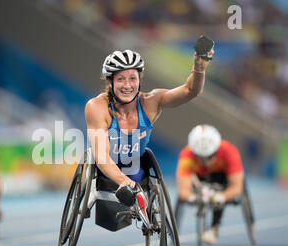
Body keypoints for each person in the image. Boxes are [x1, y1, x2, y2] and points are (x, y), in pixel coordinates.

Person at [85, 41, 214, 196]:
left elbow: (189, 91)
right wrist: (123, 181)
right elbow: (102, 158)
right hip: (105, 171)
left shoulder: (150, 102)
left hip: (135, 168)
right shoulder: (97, 107)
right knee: (111, 216)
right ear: (110, 81)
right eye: (120, 79)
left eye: (132, 78)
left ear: (139, 80)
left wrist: (199, 68)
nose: (127, 85)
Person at [176, 124, 245, 244]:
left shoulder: (229, 151)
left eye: (210, 156)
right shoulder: (187, 155)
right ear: (194, 152)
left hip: (222, 178)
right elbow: (183, 191)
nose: (206, 162)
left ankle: (214, 227)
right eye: (201, 158)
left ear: (217, 150)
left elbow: (236, 187)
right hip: (198, 178)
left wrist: (221, 196)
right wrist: (193, 198)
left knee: (220, 192)